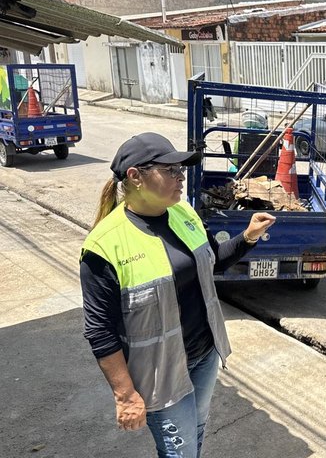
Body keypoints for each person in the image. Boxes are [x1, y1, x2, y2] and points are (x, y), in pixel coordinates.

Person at [80, 132, 275, 457]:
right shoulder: (104, 246)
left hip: (204, 355)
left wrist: (248, 237)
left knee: (194, 432)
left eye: (180, 169)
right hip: (160, 372)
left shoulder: (184, 213)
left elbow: (212, 259)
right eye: (170, 170)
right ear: (135, 176)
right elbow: (99, 330)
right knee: (179, 450)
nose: (180, 175)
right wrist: (125, 395)